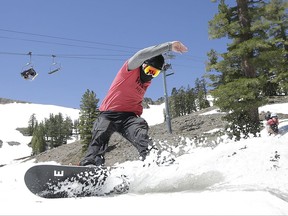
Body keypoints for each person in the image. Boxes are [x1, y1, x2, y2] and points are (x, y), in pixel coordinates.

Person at [79, 41, 188, 167]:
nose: (150, 75)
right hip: (109, 114)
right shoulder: (129, 70)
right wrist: (169, 46)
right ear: (142, 65)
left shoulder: (146, 82)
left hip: (129, 118)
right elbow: (141, 55)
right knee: (100, 135)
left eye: (155, 73)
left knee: (140, 133)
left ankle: (155, 160)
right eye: (149, 70)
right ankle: (91, 163)